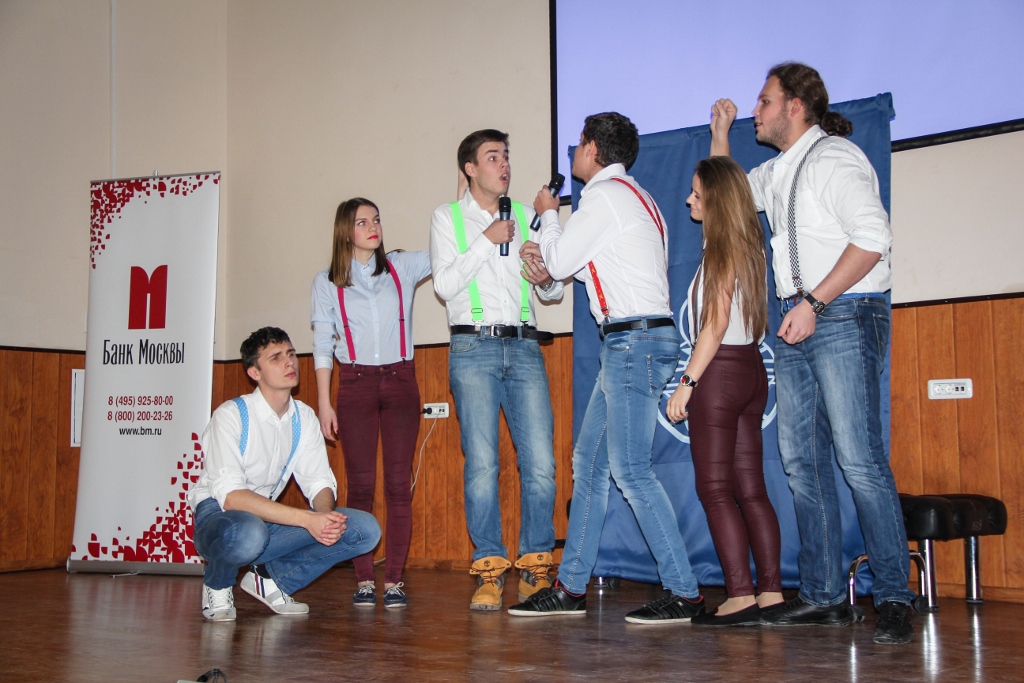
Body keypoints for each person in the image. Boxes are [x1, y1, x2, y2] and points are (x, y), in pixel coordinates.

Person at [710, 62, 915, 644]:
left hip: (843, 313)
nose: (756, 111)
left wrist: (816, 303)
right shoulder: (778, 171)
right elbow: (727, 194)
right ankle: (823, 596)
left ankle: (894, 596)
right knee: (803, 462)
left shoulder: (835, 159)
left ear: (795, 107)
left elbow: (873, 238)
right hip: (799, 321)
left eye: (764, 101)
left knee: (859, 459)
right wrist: (720, 133)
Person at [509, 112, 705, 623]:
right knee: (591, 466)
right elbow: (570, 270)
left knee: (631, 471)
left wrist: (548, 214)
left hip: (633, 342)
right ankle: (571, 587)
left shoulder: (603, 198)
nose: (573, 153)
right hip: (635, 340)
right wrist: (548, 262)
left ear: (593, 149)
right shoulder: (637, 198)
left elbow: (559, 263)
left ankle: (684, 591)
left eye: (578, 144)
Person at [429, 129, 563, 611]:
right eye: (492, 157)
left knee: (541, 463)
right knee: (482, 465)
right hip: (473, 349)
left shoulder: (526, 216)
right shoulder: (447, 217)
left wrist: (544, 277)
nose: (504, 165)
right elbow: (444, 286)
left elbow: (553, 291)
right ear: (470, 168)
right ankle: (489, 569)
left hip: (524, 346)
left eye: (506, 156)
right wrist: (487, 241)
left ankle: (535, 567)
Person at [188, 327, 381, 622]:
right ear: (255, 372)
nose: (290, 362)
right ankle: (217, 585)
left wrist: (324, 520)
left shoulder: (303, 417)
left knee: (363, 529)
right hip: (220, 519)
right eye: (276, 358)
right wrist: (307, 520)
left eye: (290, 353)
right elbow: (231, 498)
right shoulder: (230, 415)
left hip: (264, 520)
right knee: (248, 531)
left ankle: (272, 579)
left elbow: (318, 481)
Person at [665, 156, 783, 627]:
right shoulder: (749, 244)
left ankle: (739, 595)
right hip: (751, 371)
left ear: (716, 200)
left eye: (697, 194)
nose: (689, 200)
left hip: (719, 376)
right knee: (751, 490)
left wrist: (686, 384)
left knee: (715, 490)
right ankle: (770, 592)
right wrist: (720, 136)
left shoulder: (721, 250)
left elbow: (713, 325)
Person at [310, 198, 431, 608]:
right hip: (355, 384)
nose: (373, 227)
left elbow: (447, 247)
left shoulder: (401, 266)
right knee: (360, 487)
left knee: (398, 486)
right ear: (346, 232)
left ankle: (394, 580)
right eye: (362, 222)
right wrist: (324, 403)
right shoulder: (326, 282)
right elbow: (322, 346)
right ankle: (363, 579)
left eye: (376, 220)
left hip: (400, 381)